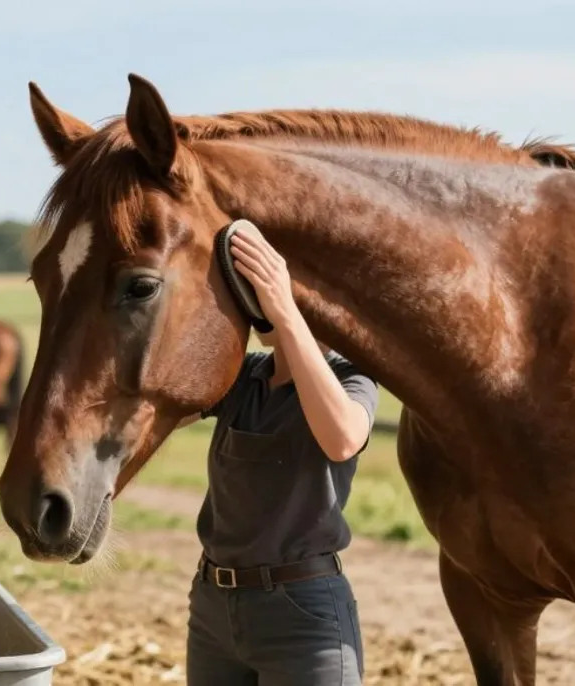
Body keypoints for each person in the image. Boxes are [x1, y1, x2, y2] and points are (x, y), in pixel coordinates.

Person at [179, 225, 378, 686]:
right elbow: (166, 405)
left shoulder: (353, 377)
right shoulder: (244, 377)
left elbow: (342, 438)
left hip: (303, 613)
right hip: (212, 606)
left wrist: (287, 313)